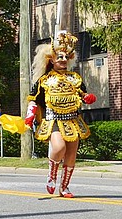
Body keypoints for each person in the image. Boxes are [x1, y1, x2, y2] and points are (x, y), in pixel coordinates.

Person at [25, 31, 96, 198]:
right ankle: (52, 174)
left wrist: (87, 98)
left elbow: (82, 95)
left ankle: (64, 187)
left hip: (73, 119)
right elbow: (33, 99)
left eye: (66, 56)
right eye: (59, 56)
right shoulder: (44, 80)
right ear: (51, 59)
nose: (63, 59)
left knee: (71, 153)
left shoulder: (75, 78)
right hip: (53, 118)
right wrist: (30, 115)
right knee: (58, 147)